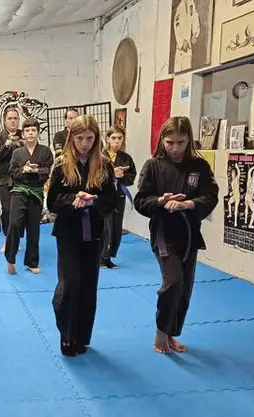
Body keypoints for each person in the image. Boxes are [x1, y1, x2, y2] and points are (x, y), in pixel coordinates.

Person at [134, 116, 219, 354]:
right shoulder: (153, 165)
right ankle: (161, 331)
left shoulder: (199, 166)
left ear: (188, 140)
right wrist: (161, 201)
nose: (175, 148)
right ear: (162, 140)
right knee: (173, 282)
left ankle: (172, 333)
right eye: (170, 142)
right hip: (163, 233)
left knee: (184, 288)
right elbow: (140, 201)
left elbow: (211, 196)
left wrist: (188, 204)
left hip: (189, 234)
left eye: (181, 142)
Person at [47, 115, 117, 357]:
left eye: (89, 138)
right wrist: (73, 200)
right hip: (68, 232)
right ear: (71, 138)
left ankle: (81, 336)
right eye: (79, 138)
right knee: (70, 284)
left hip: (94, 233)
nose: (85, 144)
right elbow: (52, 201)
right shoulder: (61, 165)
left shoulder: (104, 165)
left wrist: (93, 200)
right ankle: (67, 335)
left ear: (96, 139)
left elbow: (111, 199)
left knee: (88, 287)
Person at [5, 118, 53, 274]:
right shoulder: (17, 153)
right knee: (14, 224)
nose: (30, 133)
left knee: (33, 228)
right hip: (19, 191)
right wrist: (24, 170)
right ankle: (10, 259)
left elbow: (47, 171)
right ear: (23, 134)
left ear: (38, 133)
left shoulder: (45, 151)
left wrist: (35, 170)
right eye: (27, 130)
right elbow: (12, 172)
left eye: (33, 130)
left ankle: (32, 262)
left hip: (36, 193)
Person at [101, 124, 136, 269]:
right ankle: (101, 257)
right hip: (104, 197)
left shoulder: (126, 158)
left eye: (120, 138)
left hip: (119, 196)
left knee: (116, 228)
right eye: (113, 138)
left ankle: (109, 256)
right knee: (106, 228)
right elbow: (95, 177)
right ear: (107, 139)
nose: (117, 141)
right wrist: (112, 174)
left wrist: (122, 176)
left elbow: (132, 176)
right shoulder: (101, 156)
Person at [0, 107, 23, 252]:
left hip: (21, 179)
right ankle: (6, 239)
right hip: (5, 179)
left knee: (19, 212)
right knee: (7, 210)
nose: (13, 121)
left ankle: (16, 240)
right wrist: (7, 145)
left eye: (15, 118)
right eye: (10, 118)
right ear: (4, 121)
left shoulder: (23, 134)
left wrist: (20, 144)